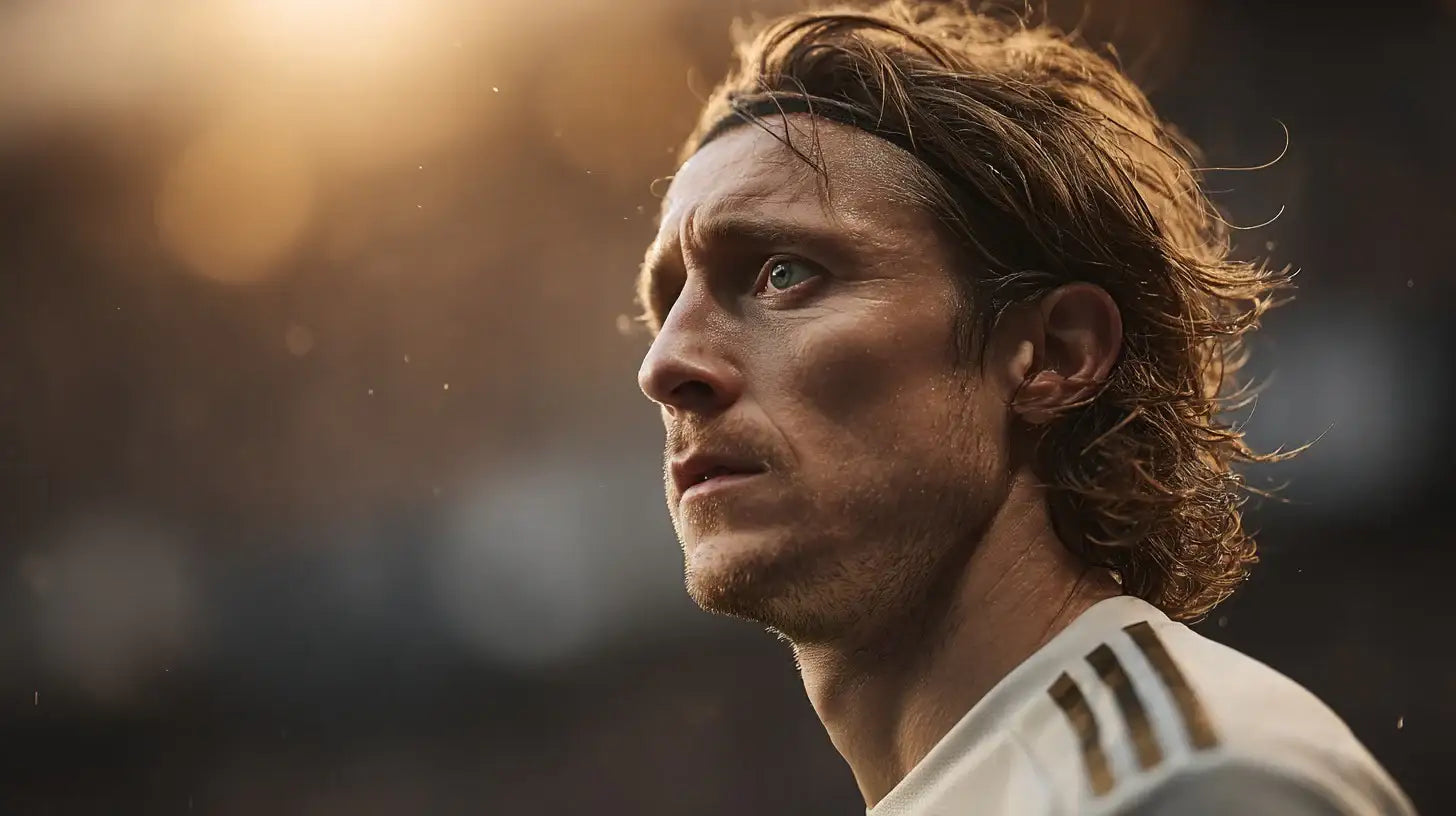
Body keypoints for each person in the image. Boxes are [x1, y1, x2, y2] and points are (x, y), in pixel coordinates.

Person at [632, 2, 1416, 814]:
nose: (664, 366)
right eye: (667, 309)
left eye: (783, 274)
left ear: (1053, 355)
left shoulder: (1181, 786)